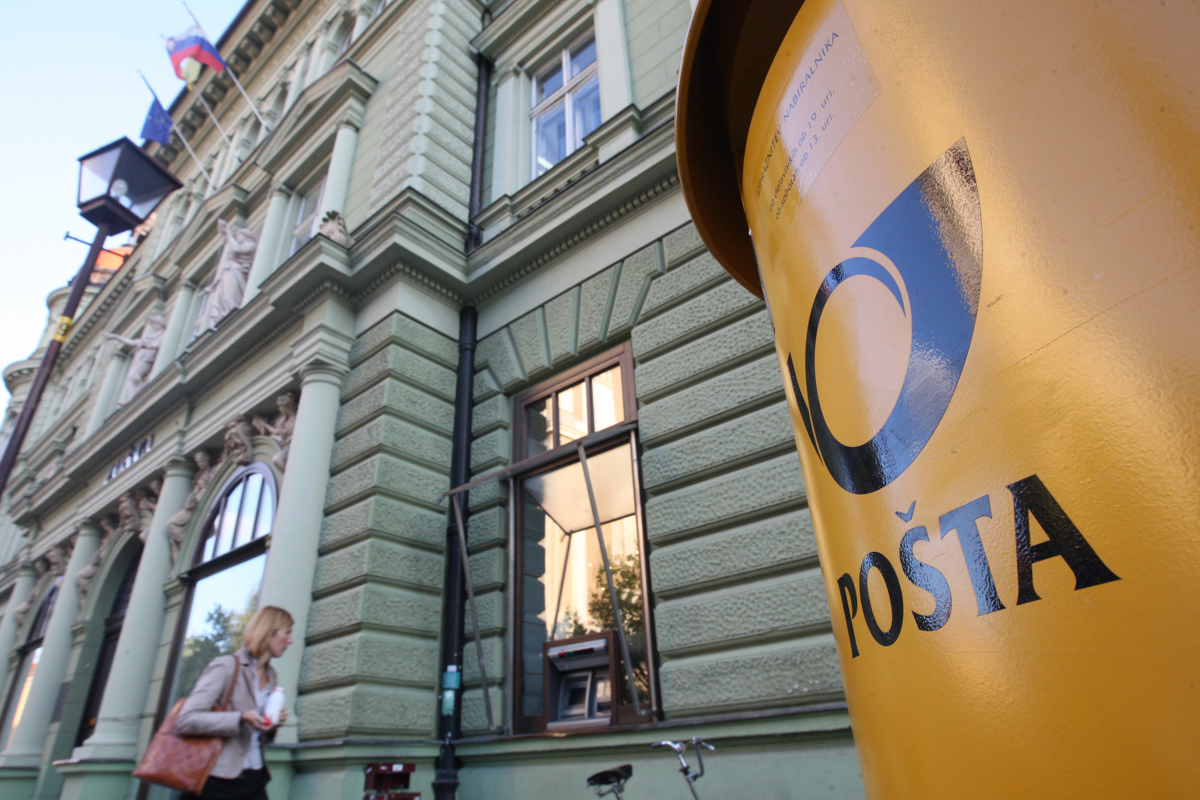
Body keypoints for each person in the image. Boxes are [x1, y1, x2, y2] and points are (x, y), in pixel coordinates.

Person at [176, 606, 294, 800]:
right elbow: (186, 719)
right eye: (286, 633)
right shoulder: (226, 666)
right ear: (268, 632)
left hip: (255, 777)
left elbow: (258, 736)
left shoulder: (271, 675)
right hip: (217, 780)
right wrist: (240, 718)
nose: (290, 640)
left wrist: (272, 724)